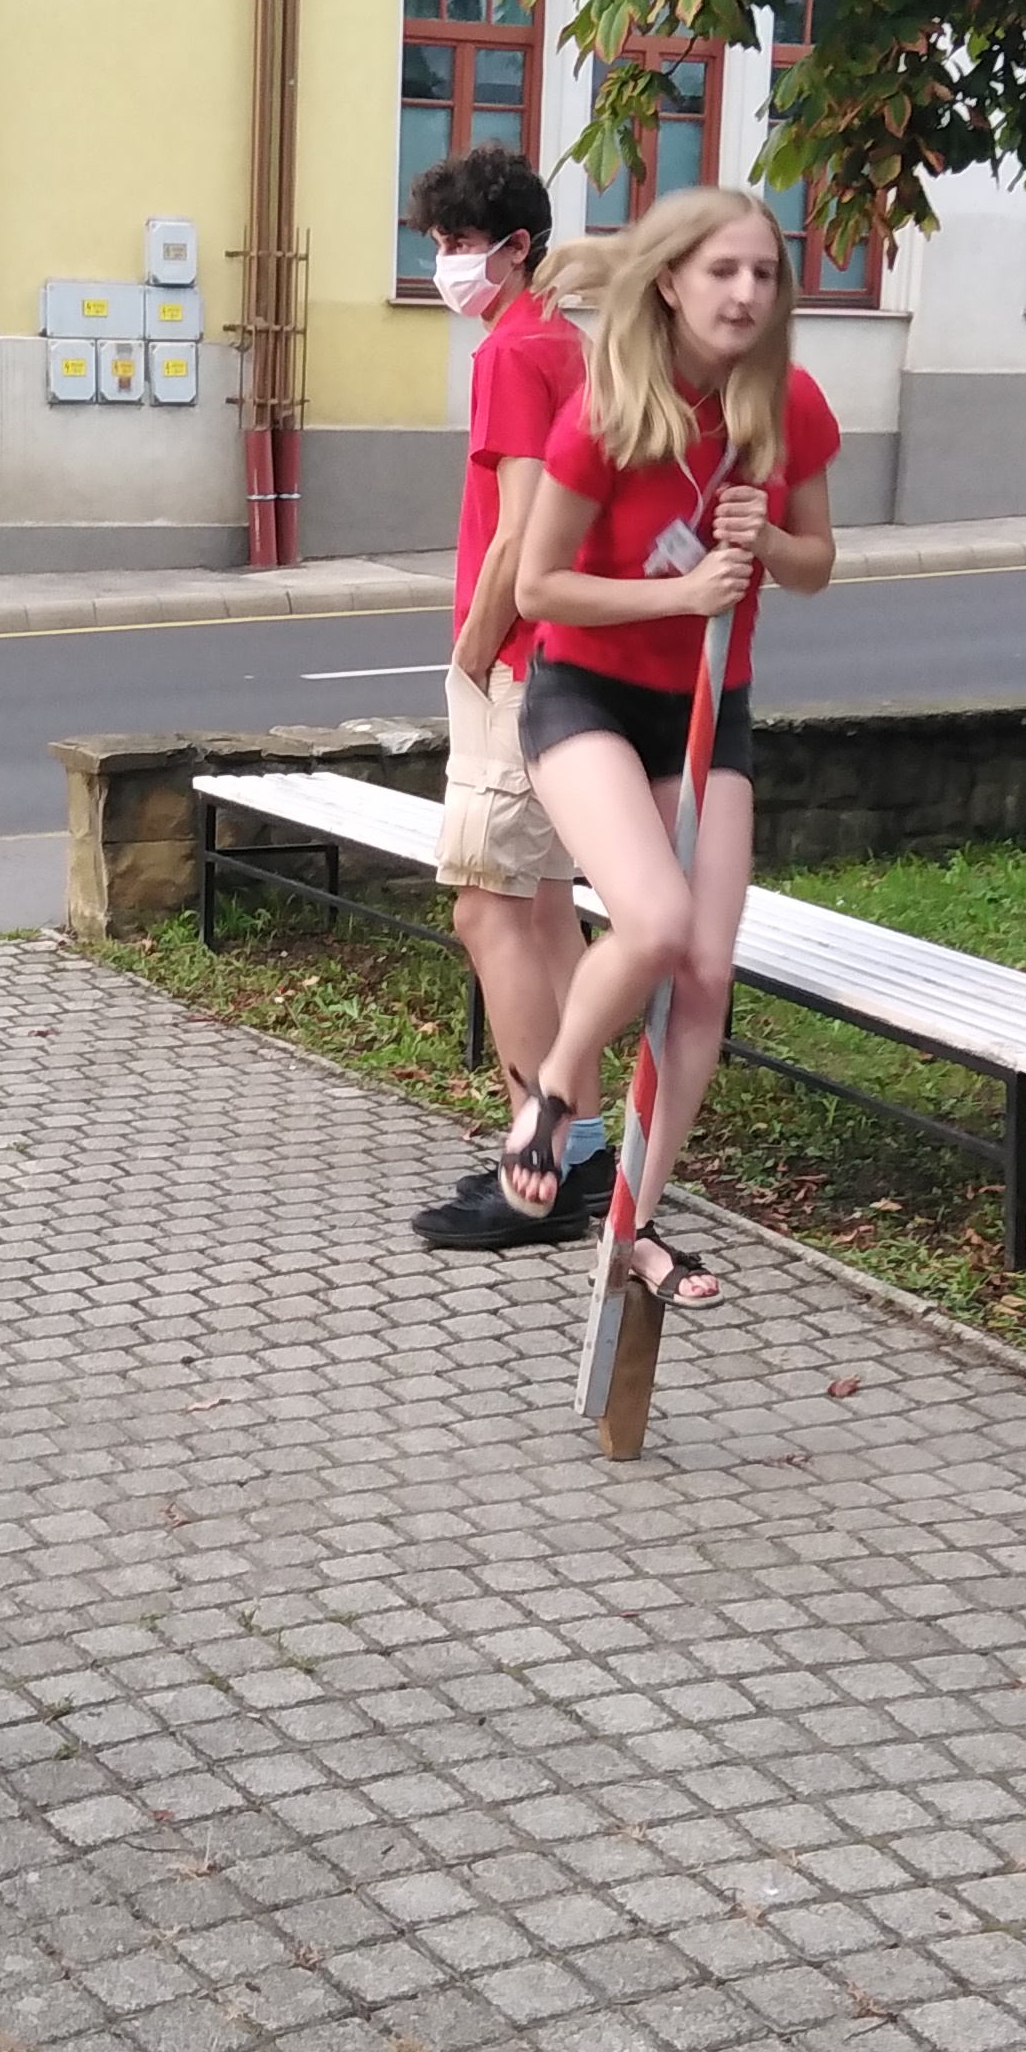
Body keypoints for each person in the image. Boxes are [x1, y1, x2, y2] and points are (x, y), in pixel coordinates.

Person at [498, 182, 840, 1301]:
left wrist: (769, 539)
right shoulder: (607, 410)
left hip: (706, 706)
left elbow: (818, 564)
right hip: (585, 696)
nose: (746, 293)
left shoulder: (788, 406)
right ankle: (554, 1091)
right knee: (651, 922)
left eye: (765, 273)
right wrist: (683, 593)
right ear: (670, 283)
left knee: (703, 973)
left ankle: (634, 1221)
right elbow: (539, 586)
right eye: (722, 271)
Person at [407, 158, 615, 1247]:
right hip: (571, 661)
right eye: (438, 243)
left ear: (516, 246)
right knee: (539, 907)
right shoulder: (566, 344)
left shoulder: (513, 351)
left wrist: (476, 651)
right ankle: (580, 1154)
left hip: (522, 664)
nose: (444, 264)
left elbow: (521, 529)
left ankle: (543, 1167)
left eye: (456, 243)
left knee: (487, 908)